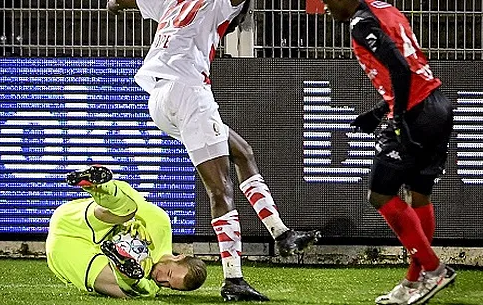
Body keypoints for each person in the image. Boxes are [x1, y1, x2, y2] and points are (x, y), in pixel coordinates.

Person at [106, 0, 321, 301]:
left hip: (158, 99)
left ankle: (281, 234)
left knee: (243, 152)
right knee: (220, 190)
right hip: (188, 91)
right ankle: (233, 278)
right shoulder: (221, 4)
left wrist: (117, 4)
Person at [320, 0, 457, 304]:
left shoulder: (361, 23)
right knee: (419, 194)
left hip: (415, 112)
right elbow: (412, 64)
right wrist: (380, 109)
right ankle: (413, 280)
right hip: (437, 105)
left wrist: (398, 118)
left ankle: (433, 270)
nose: (326, 8)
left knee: (380, 194)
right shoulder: (386, 9)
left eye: (328, 1)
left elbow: (399, 67)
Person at [46, 165, 207, 298]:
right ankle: (99, 184)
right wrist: (131, 222)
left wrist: (137, 279)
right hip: (78, 222)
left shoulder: (151, 285)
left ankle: (126, 272)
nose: (161, 279)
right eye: (169, 273)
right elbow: (128, 192)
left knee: (137, 293)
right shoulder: (161, 224)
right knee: (128, 210)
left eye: (169, 285)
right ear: (179, 257)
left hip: (65, 252)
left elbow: (147, 289)